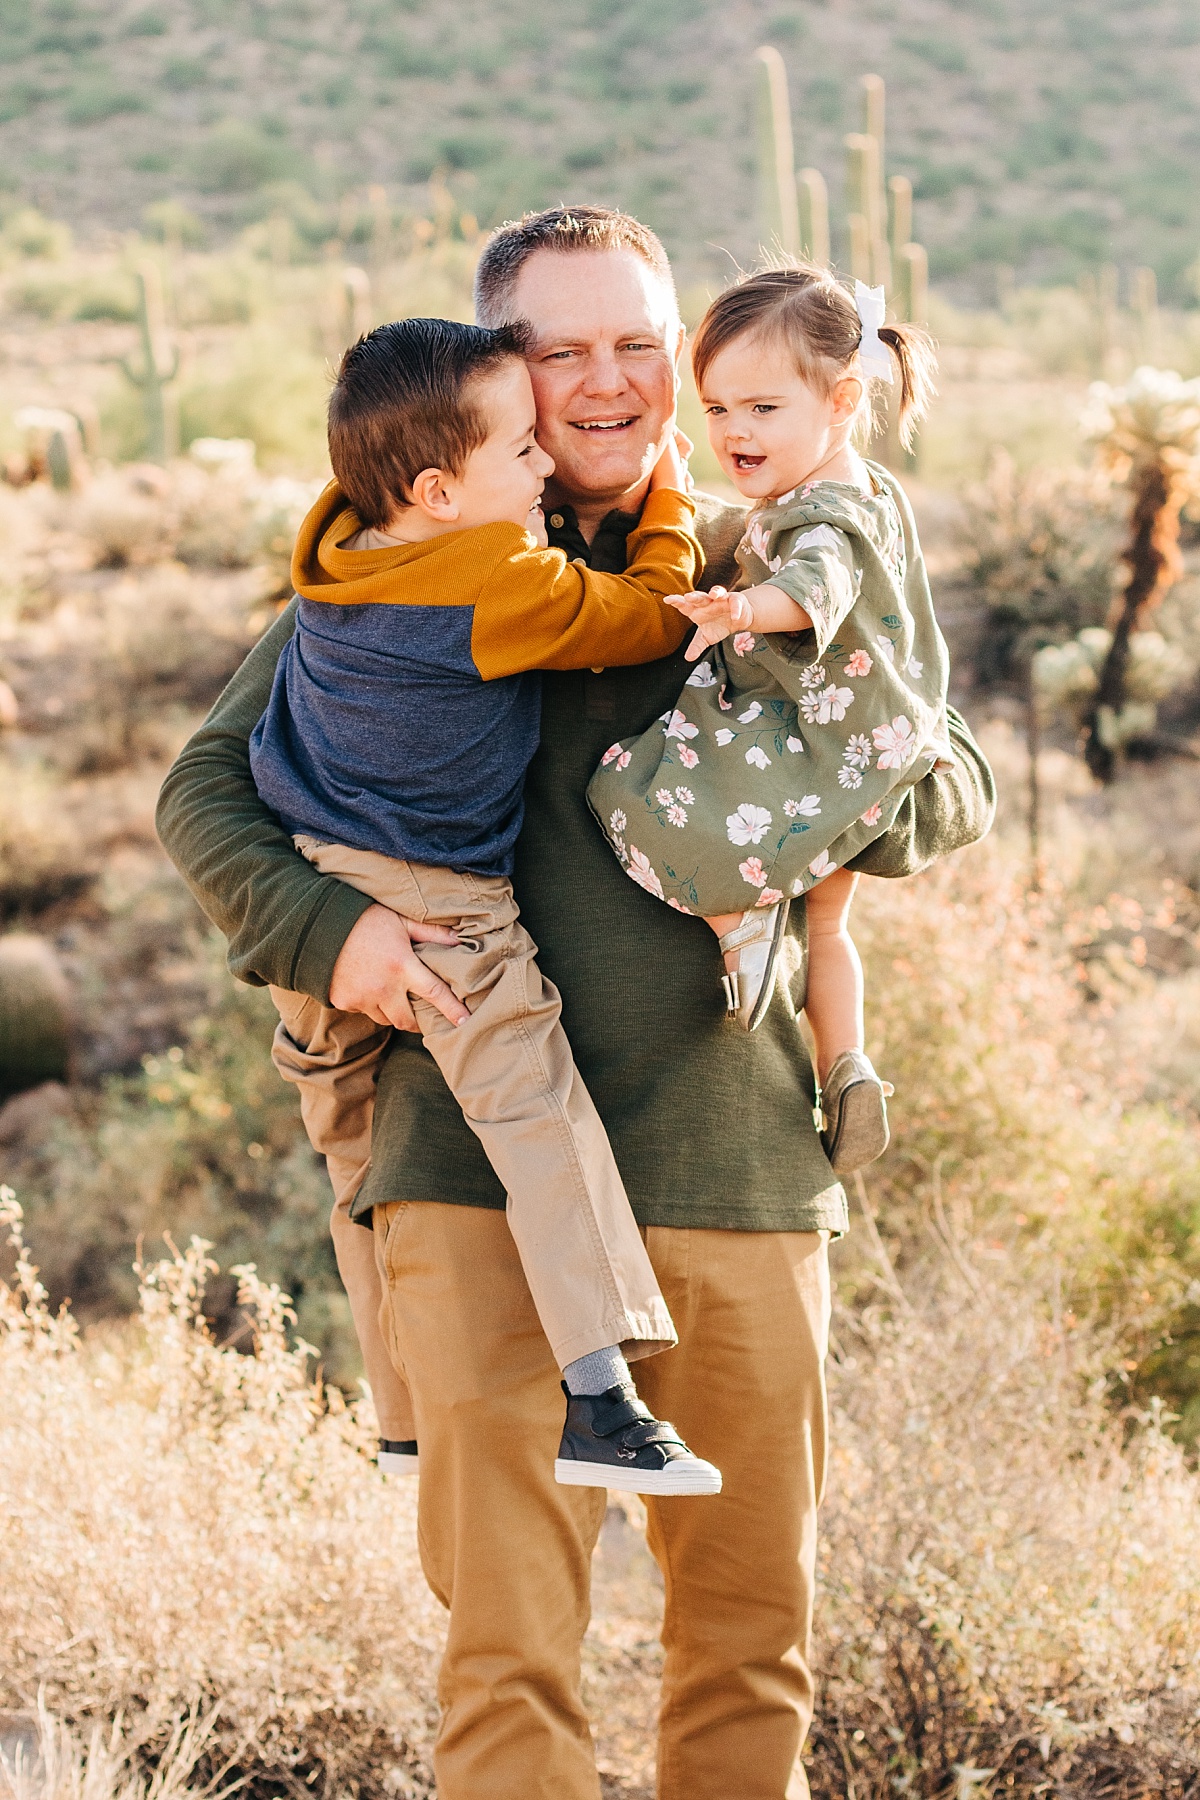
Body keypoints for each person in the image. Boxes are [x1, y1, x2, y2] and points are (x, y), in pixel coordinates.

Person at [157, 204, 995, 1800]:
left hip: (738, 1165)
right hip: (474, 1181)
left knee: (752, 1640)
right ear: (501, 374)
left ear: (683, 364)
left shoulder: (785, 547)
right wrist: (337, 940)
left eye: (639, 345)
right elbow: (205, 794)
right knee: (506, 1662)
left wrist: (797, 795)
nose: (607, 384)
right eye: (562, 351)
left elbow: (952, 781)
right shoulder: (414, 569)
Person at [249, 310, 719, 1495]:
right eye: (521, 450)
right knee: (537, 1117)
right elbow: (650, 614)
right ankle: (604, 1400)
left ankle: (400, 1415)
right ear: (438, 489)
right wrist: (668, 502)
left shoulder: (339, 542)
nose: (547, 464)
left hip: (316, 872)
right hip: (435, 898)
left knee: (349, 1143)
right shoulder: (499, 581)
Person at [589, 265, 948, 1174]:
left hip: (814, 734)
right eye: (715, 411)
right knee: (827, 927)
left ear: (839, 400)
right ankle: (848, 1066)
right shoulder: (869, 490)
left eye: (761, 409)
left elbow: (816, 584)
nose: (734, 431)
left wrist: (746, 612)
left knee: (637, 783)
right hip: (880, 742)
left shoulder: (818, 514)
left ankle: (735, 924)